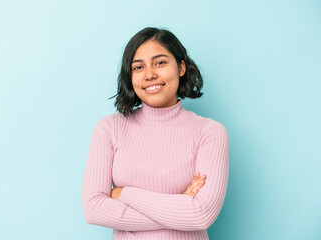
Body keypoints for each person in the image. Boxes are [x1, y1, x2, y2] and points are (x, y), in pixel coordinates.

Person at [81, 27, 229, 240]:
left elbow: (200, 214)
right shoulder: (109, 129)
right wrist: (180, 206)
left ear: (180, 67)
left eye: (160, 62)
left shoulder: (210, 133)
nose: (149, 74)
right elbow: (93, 208)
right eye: (138, 67)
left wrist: (123, 193)